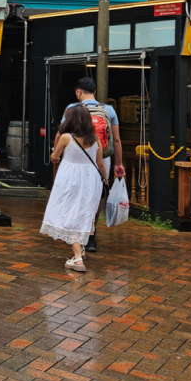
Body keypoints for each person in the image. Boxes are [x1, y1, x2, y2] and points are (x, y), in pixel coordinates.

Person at [57, 76, 123, 253]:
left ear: (78, 92)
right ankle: (91, 236)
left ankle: (75, 235)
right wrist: (119, 164)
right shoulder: (109, 110)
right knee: (93, 197)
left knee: (73, 195)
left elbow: (61, 133)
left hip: (76, 160)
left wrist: (57, 154)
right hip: (102, 160)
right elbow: (116, 139)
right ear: (94, 91)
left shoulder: (72, 108)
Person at [41, 104, 107, 273]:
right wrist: (106, 179)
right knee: (84, 213)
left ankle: (77, 259)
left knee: (69, 214)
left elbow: (54, 156)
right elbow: (100, 163)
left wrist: (55, 156)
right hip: (91, 180)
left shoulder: (66, 137)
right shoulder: (95, 139)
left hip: (70, 180)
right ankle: (81, 250)